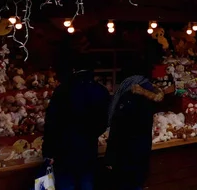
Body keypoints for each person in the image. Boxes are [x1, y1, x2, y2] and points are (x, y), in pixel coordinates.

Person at [43, 56, 111, 190]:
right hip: (87, 148)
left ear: (74, 70)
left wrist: (48, 151)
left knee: (66, 183)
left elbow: (52, 121)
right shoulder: (100, 91)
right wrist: (92, 134)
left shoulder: (62, 90)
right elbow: (105, 120)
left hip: (64, 149)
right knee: (86, 181)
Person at [105, 61, 164, 190]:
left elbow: (117, 129)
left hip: (125, 155)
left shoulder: (126, 98)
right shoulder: (148, 98)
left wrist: (110, 157)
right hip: (141, 153)